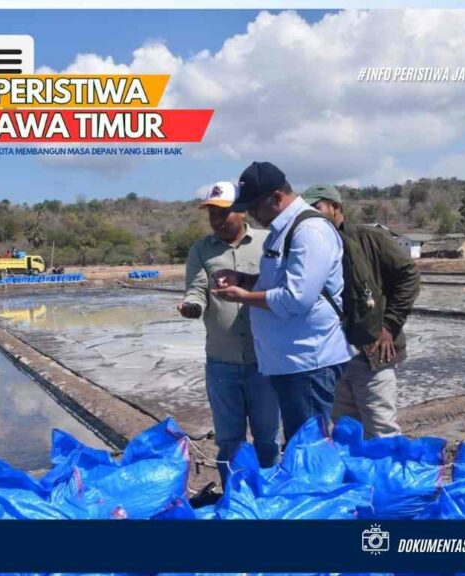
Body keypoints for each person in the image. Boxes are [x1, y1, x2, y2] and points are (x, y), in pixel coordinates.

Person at [211, 162, 352, 442]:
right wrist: (243, 279)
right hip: (289, 362)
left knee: (308, 447)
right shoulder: (283, 230)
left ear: (276, 197)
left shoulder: (309, 231)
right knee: (300, 443)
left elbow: (296, 298)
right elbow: (277, 283)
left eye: (254, 206)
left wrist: (244, 297)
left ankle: (313, 487)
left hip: (307, 362)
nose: (250, 213)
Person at [179, 180, 280, 485]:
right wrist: (192, 306)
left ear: (241, 213)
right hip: (222, 361)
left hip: (265, 360)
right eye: (212, 215)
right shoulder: (202, 249)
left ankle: (267, 497)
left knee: (267, 438)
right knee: (229, 439)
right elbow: (196, 289)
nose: (218, 221)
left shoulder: (267, 242)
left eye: (224, 214)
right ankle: (232, 498)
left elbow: (281, 286)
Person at [301, 184, 420, 437]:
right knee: (343, 431)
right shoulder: (312, 248)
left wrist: (388, 325)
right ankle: (359, 477)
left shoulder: (370, 239)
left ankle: (387, 476)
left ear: (335, 208)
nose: (310, 216)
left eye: (316, 208)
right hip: (333, 358)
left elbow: (408, 276)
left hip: (372, 354)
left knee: (380, 428)